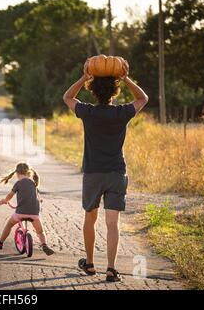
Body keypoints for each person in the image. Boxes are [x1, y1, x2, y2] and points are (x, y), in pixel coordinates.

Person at [63, 58, 148, 282]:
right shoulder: (122, 113)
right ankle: (111, 269)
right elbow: (143, 98)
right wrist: (126, 77)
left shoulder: (88, 112)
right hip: (116, 174)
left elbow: (67, 97)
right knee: (113, 224)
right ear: (115, 91)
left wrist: (84, 77)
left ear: (93, 91)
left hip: (93, 173)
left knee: (90, 219)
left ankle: (90, 264)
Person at [0, 162, 55, 256]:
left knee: (9, 225)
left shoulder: (18, 183)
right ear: (29, 173)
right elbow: (37, 196)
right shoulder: (33, 183)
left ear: (17, 173)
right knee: (40, 231)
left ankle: (0, 243)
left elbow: (10, 195)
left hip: (20, 213)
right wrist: (39, 201)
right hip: (34, 214)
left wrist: (5, 200)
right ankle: (44, 245)